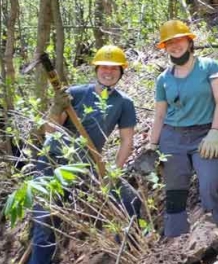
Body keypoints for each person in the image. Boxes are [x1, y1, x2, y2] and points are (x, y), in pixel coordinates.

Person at [29, 45, 140, 264]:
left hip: (88, 165)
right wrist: (56, 108)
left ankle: (116, 257)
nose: (108, 72)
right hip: (53, 162)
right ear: (96, 70)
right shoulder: (75, 94)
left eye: (114, 68)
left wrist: (114, 172)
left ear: (121, 72)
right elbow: (49, 131)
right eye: (104, 68)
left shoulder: (124, 103)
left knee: (131, 201)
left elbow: (127, 141)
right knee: (45, 221)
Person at [147, 20, 218, 237]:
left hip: (205, 134)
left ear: (189, 41)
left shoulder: (209, 67)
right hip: (172, 138)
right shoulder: (163, 79)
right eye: (169, 42)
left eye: (179, 40)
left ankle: (217, 236)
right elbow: (160, 115)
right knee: (175, 191)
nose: (175, 45)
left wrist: (216, 131)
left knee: (212, 184)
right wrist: (153, 145)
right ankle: (176, 243)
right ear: (165, 47)